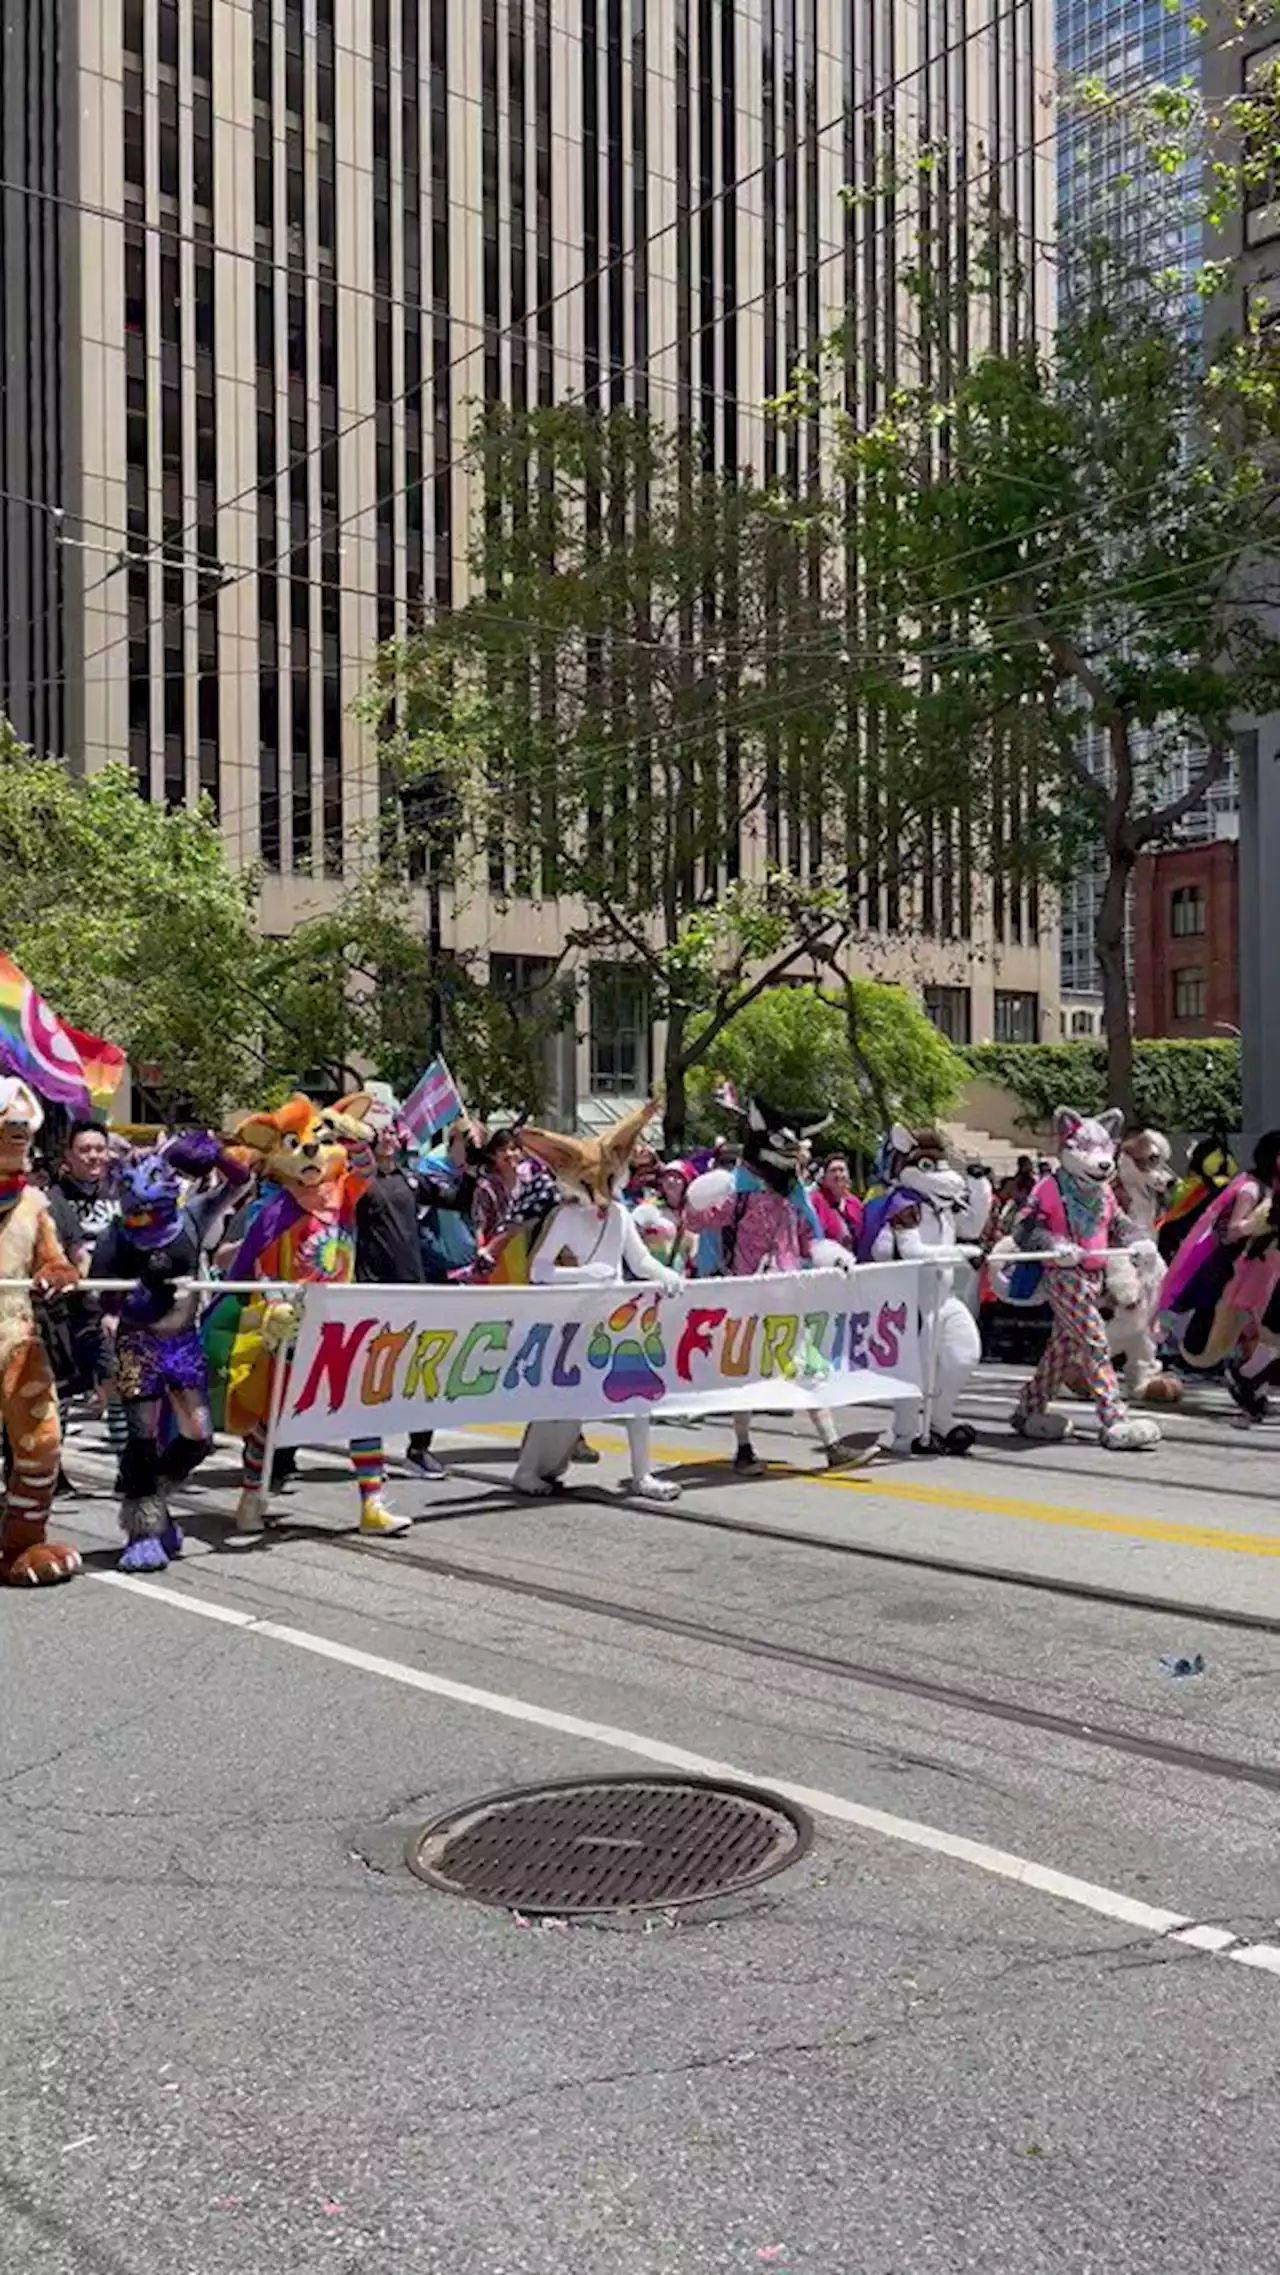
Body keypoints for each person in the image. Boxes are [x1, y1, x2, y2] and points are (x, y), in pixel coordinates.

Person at [355, 1117, 443, 1481]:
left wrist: (471, 1156)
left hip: (412, 1287)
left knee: (419, 1370)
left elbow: (457, 1196)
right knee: (365, 1376)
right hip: (371, 1288)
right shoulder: (357, 1183)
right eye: (380, 1131)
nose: (388, 1136)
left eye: (392, 1130)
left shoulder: (410, 1180)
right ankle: (283, 1459)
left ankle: (419, 1449)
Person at [809, 1155, 864, 1253]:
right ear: (824, 1178)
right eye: (833, 1170)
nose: (838, 1174)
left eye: (842, 1170)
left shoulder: (855, 1203)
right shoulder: (814, 1201)